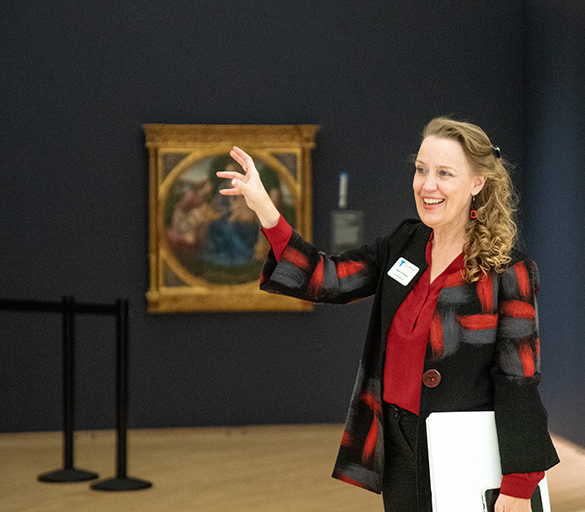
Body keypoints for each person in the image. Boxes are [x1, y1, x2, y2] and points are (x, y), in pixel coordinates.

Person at [217, 117, 560, 512]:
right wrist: (265, 210)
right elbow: (328, 279)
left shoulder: (507, 271)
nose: (427, 185)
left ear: (477, 183)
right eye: (421, 170)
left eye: (444, 173)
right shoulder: (405, 243)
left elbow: (519, 377)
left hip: (465, 451)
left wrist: (519, 484)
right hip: (398, 441)